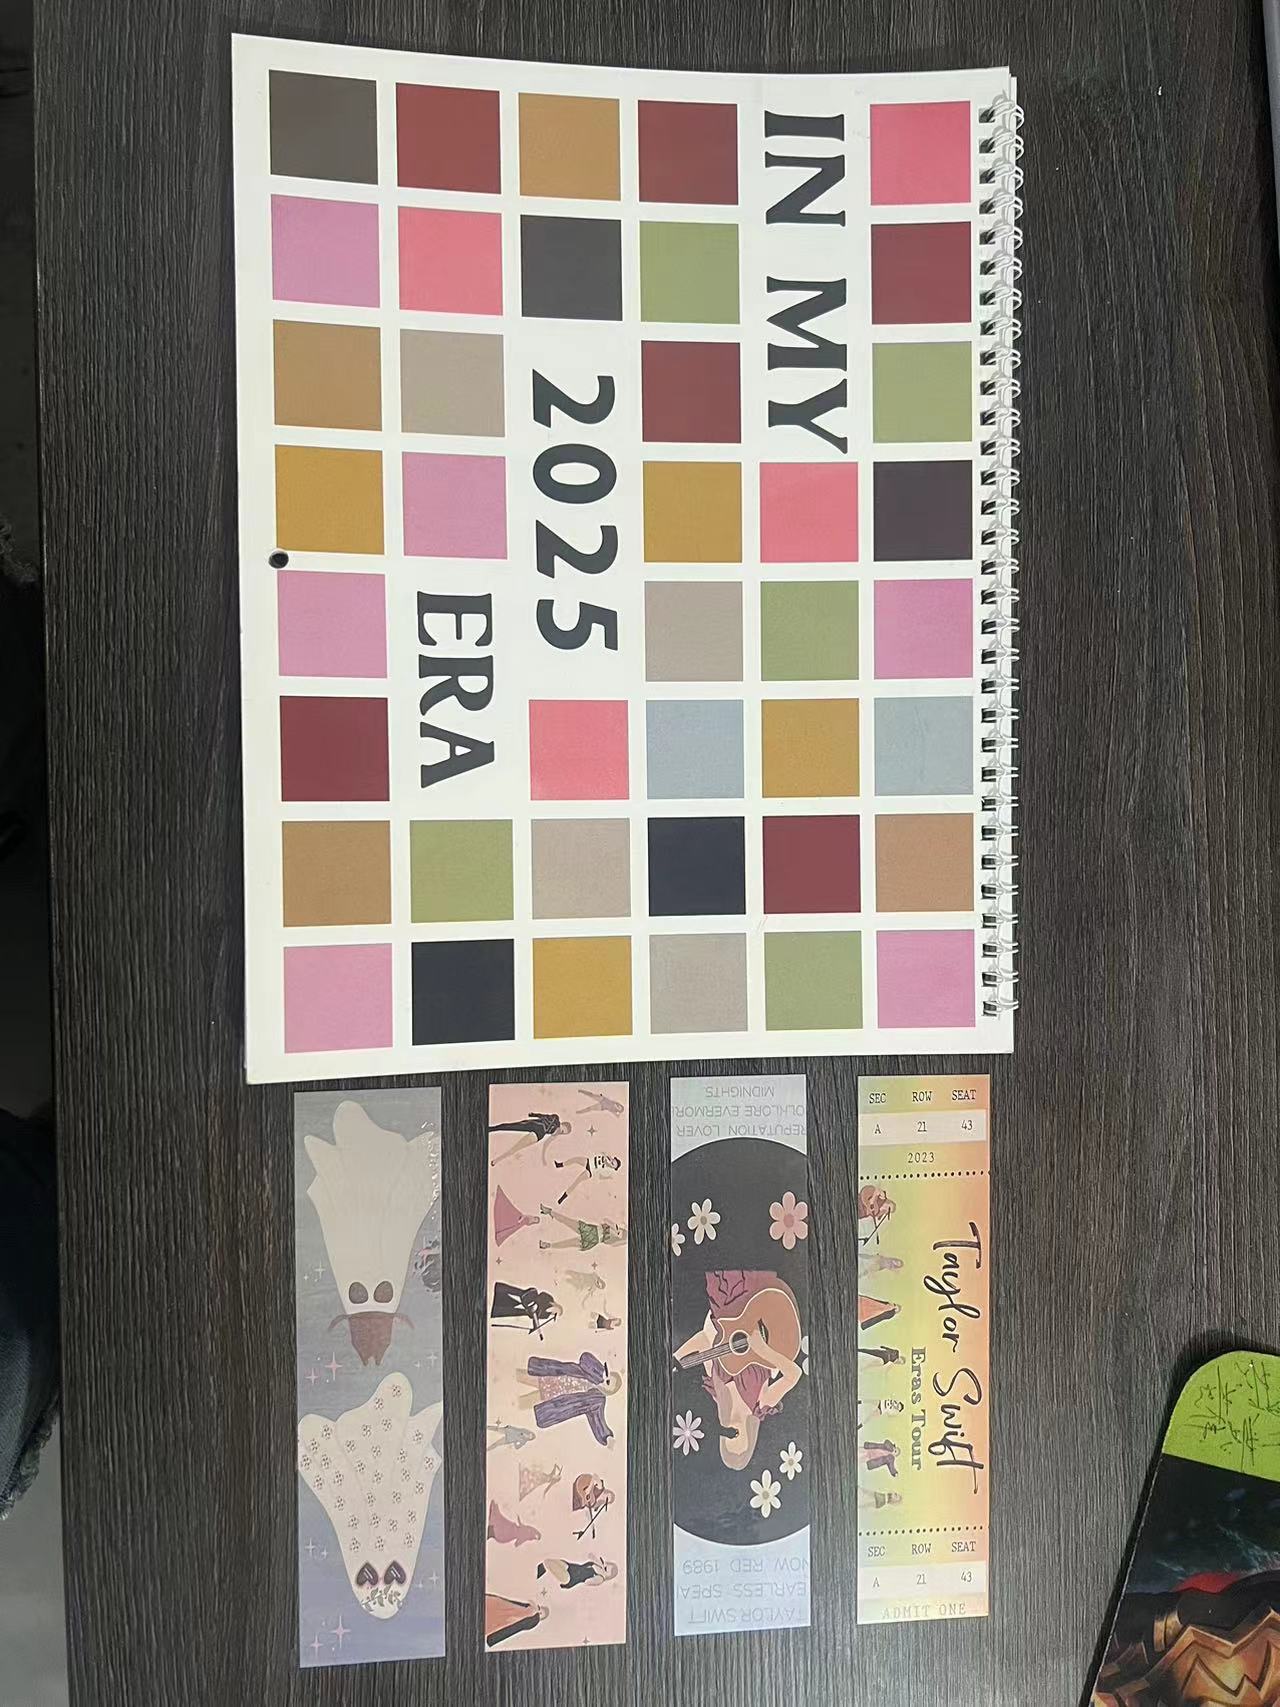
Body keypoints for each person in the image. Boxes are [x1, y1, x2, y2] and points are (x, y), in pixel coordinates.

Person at [517, 1351, 621, 1445]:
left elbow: (598, 1421)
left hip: (552, 1400)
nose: (605, 1380)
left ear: (608, 1392)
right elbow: (585, 1358)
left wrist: (606, 1437)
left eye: (608, 1382)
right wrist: (600, 1374)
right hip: (549, 1377)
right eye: (608, 1376)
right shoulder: (594, 1372)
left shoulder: (597, 1401)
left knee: (522, 1402)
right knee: (517, 1376)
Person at [489, 1112, 572, 1166]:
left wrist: (533, 1115)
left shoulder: (555, 1128)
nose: (560, 1132)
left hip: (538, 1133)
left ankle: (496, 1160)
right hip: (535, 1125)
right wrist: (533, 1115)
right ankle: (491, 1129)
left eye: (562, 1133)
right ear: (563, 1124)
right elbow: (544, 1116)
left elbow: (546, 1143)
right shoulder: (556, 1118)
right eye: (563, 1130)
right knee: (511, 1127)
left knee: (516, 1147)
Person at [539, 1207, 626, 1253]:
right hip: (591, 1231)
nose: (619, 1233)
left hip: (593, 1238)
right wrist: (614, 1227)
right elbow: (605, 1219)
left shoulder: (613, 1240)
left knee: (568, 1242)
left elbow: (606, 1221)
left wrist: (615, 1230)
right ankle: (550, 1212)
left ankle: (548, 1245)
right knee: (568, 1222)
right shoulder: (614, 1229)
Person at [548, 1152, 622, 1207]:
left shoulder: (608, 1170)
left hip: (590, 1171)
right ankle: (560, 1165)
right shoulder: (607, 1158)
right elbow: (602, 1152)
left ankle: (562, 1198)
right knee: (575, 1159)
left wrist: (608, 1164)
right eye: (613, 1161)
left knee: (576, 1182)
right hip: (588, 1161)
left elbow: (601, 1175)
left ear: (613, 1168)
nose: (612, 1162)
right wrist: (608, 1157)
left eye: (613, 1164)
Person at [491, 1280, 562, 1336]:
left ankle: (496, 1308)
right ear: (556, 1307)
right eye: (556, 1312)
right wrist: (535, 1306)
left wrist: (536, 1328)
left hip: (525, 1310)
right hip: (527, 1299)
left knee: (507, 1309)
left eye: (555, 1315)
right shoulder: (550, 1299)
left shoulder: (546, 1316)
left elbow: (535, 1317)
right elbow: (541, 1295)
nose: (554, 1314)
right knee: (512, 1295)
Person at [536, 1557, 617, 1589]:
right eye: (605, 1565)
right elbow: (590, 1555)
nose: (603, 1567)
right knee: (549, 1561)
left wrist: (597, 1571)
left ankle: (539, 1574)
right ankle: (540, 1572)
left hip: (569, 1578)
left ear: (607, 1576)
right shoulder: (597, 1565)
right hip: (570, 1567)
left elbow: (587, 1582)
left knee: (547, 1562)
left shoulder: (600, 1578)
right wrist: (598, 1564)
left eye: (605, 1569)